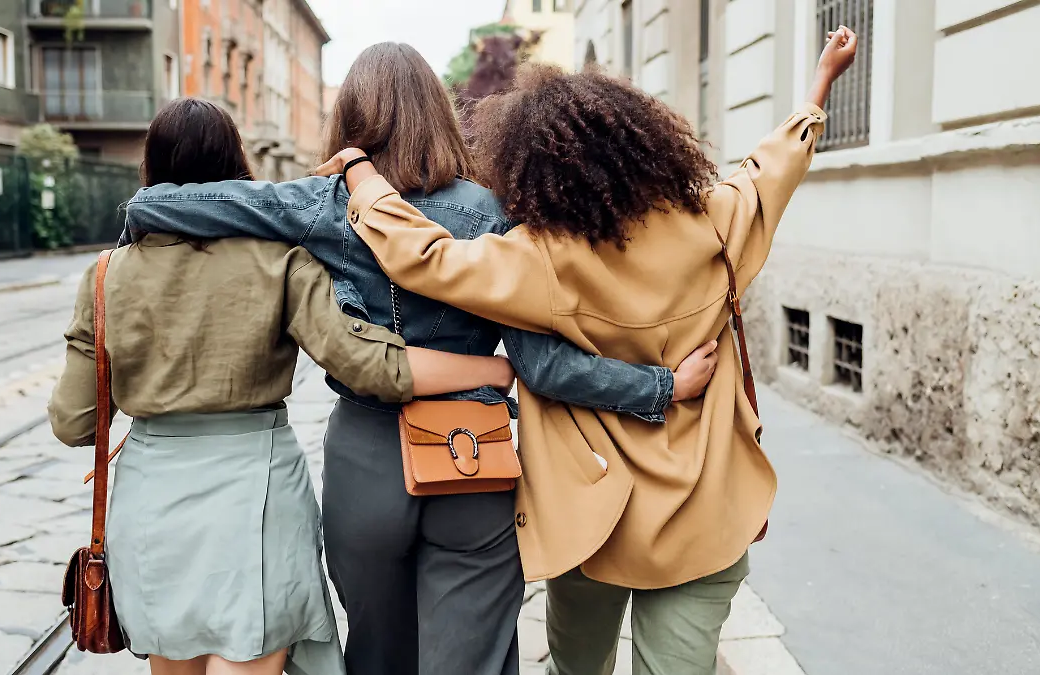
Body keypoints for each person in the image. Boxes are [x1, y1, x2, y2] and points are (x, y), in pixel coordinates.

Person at [120, 43, 720, 675]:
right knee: (473, 658)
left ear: (349, 120)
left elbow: (168, 204)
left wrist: (139, 213)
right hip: (474, 455)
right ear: (440, 114)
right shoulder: (494, 214)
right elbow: (544, 366)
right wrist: (661, 387)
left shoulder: (320, 204)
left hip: (365, 457)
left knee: (378, 652)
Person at [312, 27, 859, 675]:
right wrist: (818, 87)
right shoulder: (716, 223)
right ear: (647, 145)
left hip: (591, 522)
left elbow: (425, 257)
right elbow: (771, 169)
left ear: (534, 169)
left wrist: (363, 175)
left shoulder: (539, 257)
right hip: (704, 514)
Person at [48, 98, 534, 675]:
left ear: (150, 169)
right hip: (255, 489)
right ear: (238, 166)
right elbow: (366, 365)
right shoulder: (280, 260)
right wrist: (493, 370)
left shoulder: (106, 273)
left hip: (154, 500)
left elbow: (73, 421)